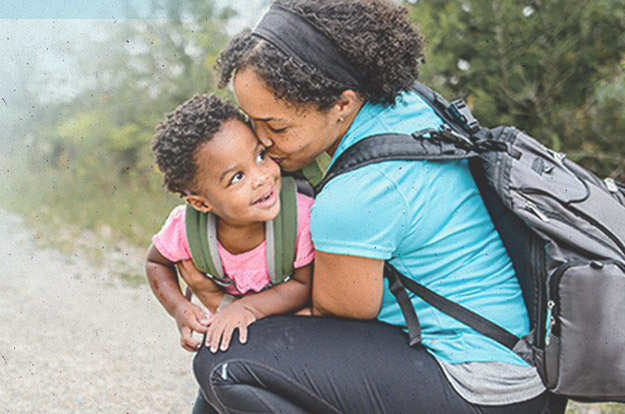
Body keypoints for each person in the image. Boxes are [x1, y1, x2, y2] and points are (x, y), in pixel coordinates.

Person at [183, 0, 569, 413]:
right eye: (252, 120)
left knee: (225, 364)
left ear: (341, 104)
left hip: (481, 386)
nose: (260, 140)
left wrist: (224, 303)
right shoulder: (407, 107)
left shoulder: (357, 194)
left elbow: (336, 317)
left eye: (276, 125)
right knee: (242, 350)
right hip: (523, 360)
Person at [144, 94, 315, 355]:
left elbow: (304, 285)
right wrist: (179, 308)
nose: (260, 178)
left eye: (260, 156)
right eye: (237, 177)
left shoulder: (300, 216)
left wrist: (247, 308)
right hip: (235, 327)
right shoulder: (187, 228)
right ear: (200, 204)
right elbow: (156, 263)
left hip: (293, 331)